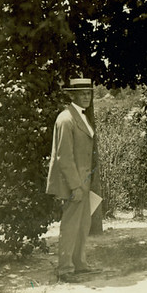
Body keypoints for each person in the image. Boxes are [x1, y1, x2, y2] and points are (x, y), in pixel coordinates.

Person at [46, 78, 99, 282]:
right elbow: (64, 157)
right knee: (70, 225)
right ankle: (65, 268)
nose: (87, 96)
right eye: (83, 93)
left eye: (89, 92)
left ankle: (79, 264)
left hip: (85, 180)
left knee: (83, 223)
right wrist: (75, 186)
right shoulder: (66, 118)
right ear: (72, 95)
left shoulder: (82, 117)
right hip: (74, 182)